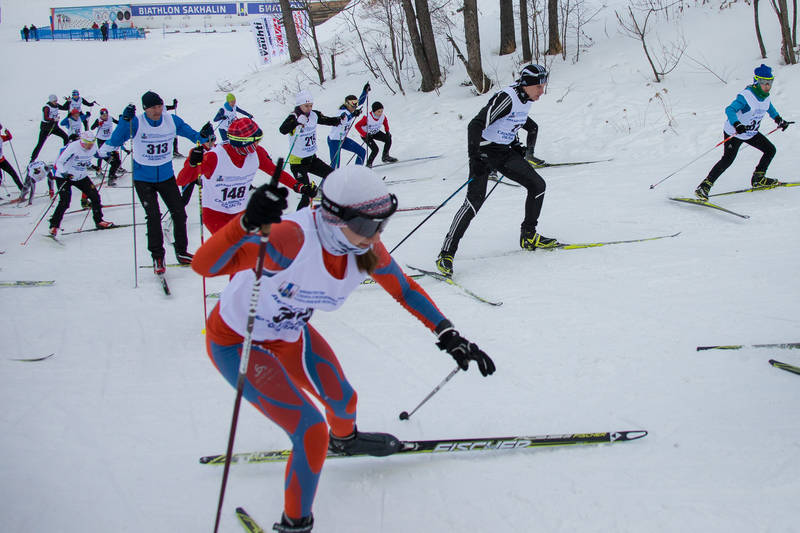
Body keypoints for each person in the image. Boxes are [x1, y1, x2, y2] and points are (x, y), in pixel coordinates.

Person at [191, 165, 495, 533]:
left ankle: (345, 441)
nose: (376, 235)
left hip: (290, 334)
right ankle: (294, 524)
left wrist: (449, 335)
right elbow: (204, 266)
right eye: (368, 226)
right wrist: (243, 225)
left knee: (344, 400)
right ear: (333, 218)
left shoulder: (362, 246)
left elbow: (405, 290)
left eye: (383, 223)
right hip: (238, 341)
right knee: (310, 430)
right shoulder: (292, 239)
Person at [436, 64, 554, 278]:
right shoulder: (506, 98)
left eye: (543, 86)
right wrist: (475, 156)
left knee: (538, 186)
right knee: (473, 203)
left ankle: (528, 235)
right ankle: (446, 254)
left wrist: (515, 143)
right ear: (527, 85)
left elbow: (512, 122)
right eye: (539, 86)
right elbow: (475, 125)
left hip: (502, 152)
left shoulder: (526, 99)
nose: (542, 91)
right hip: (482, 152)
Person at [99, 90, 212, 274]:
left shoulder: (171, 121)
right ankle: (158, 256)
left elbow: (194, 136)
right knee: (153, 216)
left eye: (159, 106)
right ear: (145, 109)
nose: (157, 110)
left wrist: (205, 136)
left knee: (179, 214)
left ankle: (181, 251)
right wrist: (124, 122)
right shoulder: (137, 122)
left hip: (166, 176)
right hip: (143, 179)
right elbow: (115, 141)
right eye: (153, 108)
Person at [177, 117, 311, 233]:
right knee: (231, 251)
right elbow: (182, 181)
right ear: (244, 143)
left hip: (240, 212)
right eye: (256, 140)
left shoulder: (257, 153)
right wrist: (192, 163)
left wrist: (299, 187)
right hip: (215, 214)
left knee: (249, 251)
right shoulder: (214, 157)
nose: (258, 144)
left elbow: (276, 173)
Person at [695, 64, 792, 200]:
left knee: (770, 150)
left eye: (770, 82)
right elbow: (730, 109)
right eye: (764, 82)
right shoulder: (746, 96)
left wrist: (779, 120)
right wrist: (737, 124)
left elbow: (769, 108)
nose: (767, 86)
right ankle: (704, 186)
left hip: (750, 133)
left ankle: (758, 178)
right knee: (728, 159)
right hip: (735, 133)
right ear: (757, 82)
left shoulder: (765, 97)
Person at [278, 90, 340, 210]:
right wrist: (296, 123)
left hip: (312, 159)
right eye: (306, 106)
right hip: (298, 163)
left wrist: (338, 120)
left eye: (311, 105)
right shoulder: (293, 117)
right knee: (306, 196)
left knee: (332, 175)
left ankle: (331, 204)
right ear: (299, 105)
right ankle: (298, 222)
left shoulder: (313, 115)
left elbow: (326, 120)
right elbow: (282, 130)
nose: (309, 108)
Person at [48, 131, 114, 236]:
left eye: (91, 143)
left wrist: (108, 155)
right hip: (65, 176)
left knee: (95, 197)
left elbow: (95, 155)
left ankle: (99, 221)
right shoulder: (72, 147)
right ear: (82, 141)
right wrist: (64, 173)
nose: (89, 146)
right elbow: (59, 163)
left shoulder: (92, 147)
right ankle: (54, 226)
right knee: (65, 202)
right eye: (87, 143)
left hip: (81, 176)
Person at [327, 94, 366, 168]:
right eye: (353, 105)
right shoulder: (342, 112)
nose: (355, 107)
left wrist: (365, 91)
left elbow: (360, 102)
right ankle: (326, 180)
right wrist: (353, 114)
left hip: (343, 140)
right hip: (334, 141)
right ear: (347, 104)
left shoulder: (350, 109)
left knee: (362, 152)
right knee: (334, 168)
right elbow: (344, 118)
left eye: (356, 105)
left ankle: (356, 173)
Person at [354, 101, 397, 167]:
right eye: (378, 111)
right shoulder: (367, 118)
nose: (380, 113)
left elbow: (385, 123)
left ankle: (385, 156)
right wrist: (365, 134)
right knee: (375, 149)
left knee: (388, 139)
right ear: (374, 111)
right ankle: (369, 164)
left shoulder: (382, 117)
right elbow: (357, 126)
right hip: (366, 135)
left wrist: (387, 131)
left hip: (375, 132)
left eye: (381, 111)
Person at [30, 94, 70, 161]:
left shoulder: (56, 105)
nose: (55, 102)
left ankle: (64, 155)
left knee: (65, 137)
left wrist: (68, 101)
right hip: (46, 128)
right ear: (51, 101)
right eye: (54, 101)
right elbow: (46, 118)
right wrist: (53, 119)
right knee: (40, 144)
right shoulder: (47, 107)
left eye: (56, 100)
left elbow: (64, 108)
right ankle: (32, 159)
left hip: (54, 127)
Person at [90, 108, 122, 185]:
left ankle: (115, 168)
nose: (105, 116)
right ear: (101, 115)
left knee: (113, 153)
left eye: (106, 115)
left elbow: (118, 123)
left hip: (109, 139)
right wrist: (98, 124)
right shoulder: (98, 120)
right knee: (101, 154)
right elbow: (92, 128)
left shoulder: (110, 118)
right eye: (103, 115)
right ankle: (99, 171)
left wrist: (121, 120)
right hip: (101, 139)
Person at [0, 125, 23, 190]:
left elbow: (9, 137)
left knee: (13, 173)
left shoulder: (1, 137)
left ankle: (22, 189)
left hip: (2, 160)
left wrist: (8, 133)